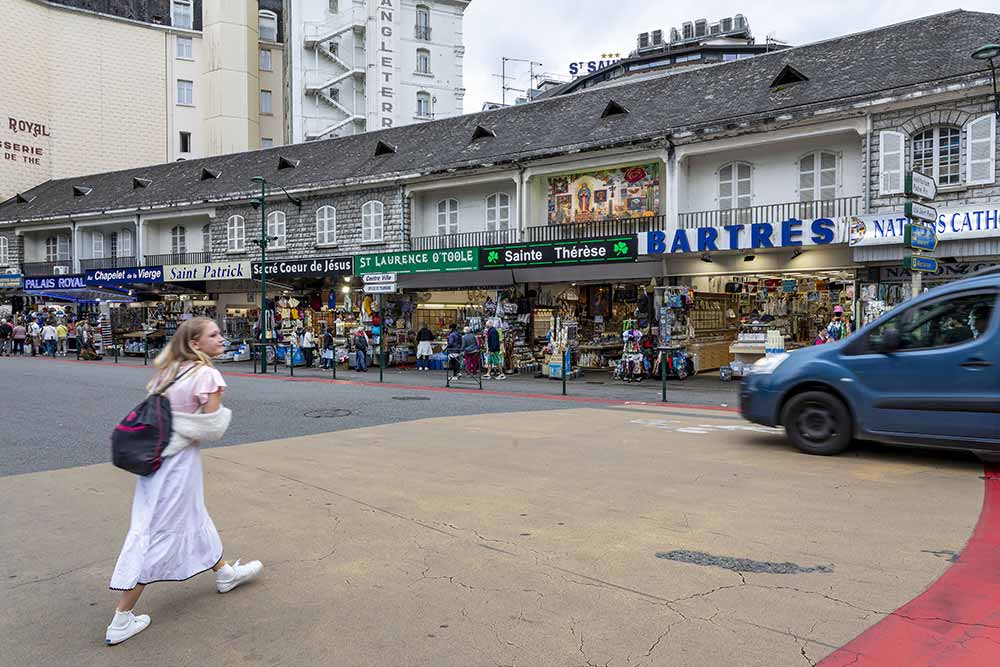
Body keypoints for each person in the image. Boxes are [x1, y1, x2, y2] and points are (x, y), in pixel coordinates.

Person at [105, 317, 262, 645]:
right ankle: (121, 618)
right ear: (195, 344)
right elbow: (213, 427)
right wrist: (216, 406)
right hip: (177, 467)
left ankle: (225, 574)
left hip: (157, 461)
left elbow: (164, 415)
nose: (222, 338)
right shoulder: (206, 374)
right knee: (161, 532)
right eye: (214, 335)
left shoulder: (169, 369)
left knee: (193, 516)